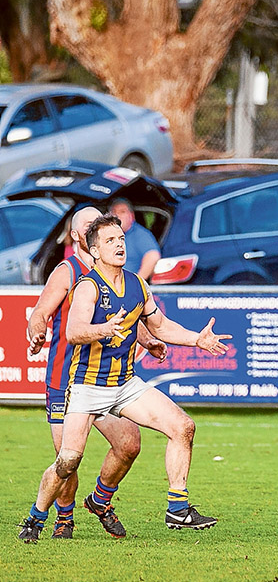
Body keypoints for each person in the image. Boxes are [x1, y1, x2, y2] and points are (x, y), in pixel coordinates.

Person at [19, 214, 232, 542]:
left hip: (125, 384)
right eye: (110, 241)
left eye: (121, 239)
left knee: (182, 427)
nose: (119, 245)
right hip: (87, 388)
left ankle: (177, 508)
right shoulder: (87, 286)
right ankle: (36, 517)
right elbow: (74, 331)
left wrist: (195, 339)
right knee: (68, 461)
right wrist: (101, 329)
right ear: (93, 250)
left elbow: (159, 325)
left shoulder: (136, 284)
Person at [26, 206, 167, 539]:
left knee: (129, 444)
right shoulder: (68, 272)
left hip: (107, 382)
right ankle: (62, 518)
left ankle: (101, 500)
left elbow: (128, 318)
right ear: (79, 236)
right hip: (67, 380)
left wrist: (147, 340)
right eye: (91, 226)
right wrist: (36, 331)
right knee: (68, 459)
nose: (100, 231)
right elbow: (40, 312)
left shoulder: (116, 274)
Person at [109, 198, 161, 280]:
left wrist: (137, 283)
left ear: (132, 216)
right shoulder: (105, 233)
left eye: (122, 212)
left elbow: (153, 256)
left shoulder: (140, 235)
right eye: (114, 212)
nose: (117, 216)